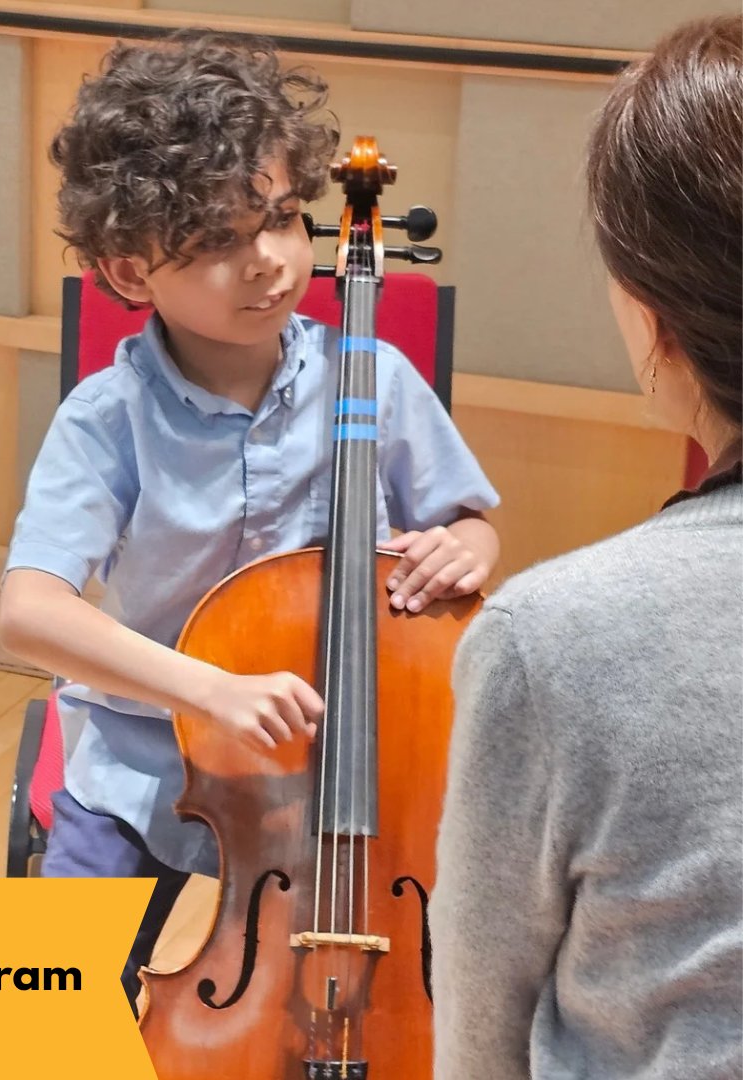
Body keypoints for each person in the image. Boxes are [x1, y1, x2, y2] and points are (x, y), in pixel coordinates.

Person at [0, 31, 500, 1013]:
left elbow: (471, 521)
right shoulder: (110, 419)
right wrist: (210, 692)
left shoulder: (372, 380)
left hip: (334, 774)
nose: (269, 262)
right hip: (144, 762)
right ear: (131, 271)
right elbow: (29, 612)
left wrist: (463, 548)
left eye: (280, 219)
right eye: (219, 243)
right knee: (42, 1001)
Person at [431, 15, 742, 1078]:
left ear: (655, 321)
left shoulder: (555, 640)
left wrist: (469, 540)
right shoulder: (110, 412)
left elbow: (482, 1032)